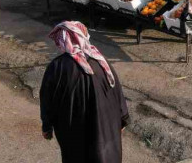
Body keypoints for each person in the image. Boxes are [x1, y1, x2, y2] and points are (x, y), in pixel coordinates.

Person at [40, 21, 129, 163]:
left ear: (63, 39)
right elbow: (117, 93)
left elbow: (47, 101)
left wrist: (47, 127)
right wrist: (123, 119)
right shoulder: (102, 61)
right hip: (106, 130)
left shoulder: (57, 67)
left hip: (74, 134)